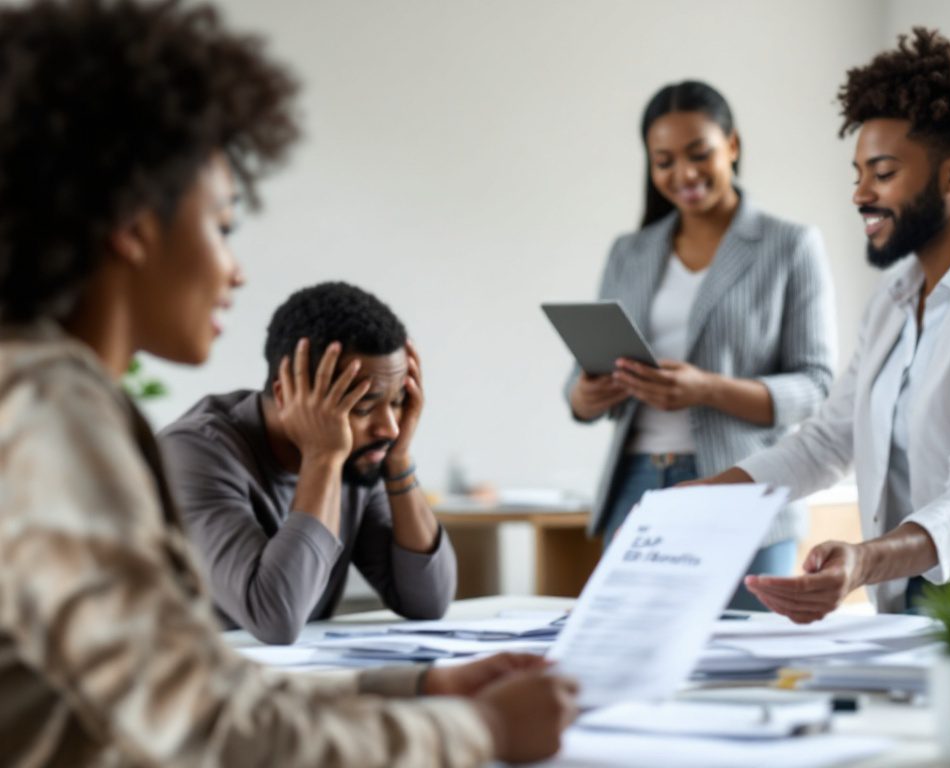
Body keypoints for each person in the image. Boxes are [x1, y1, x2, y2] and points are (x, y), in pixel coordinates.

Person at [0, 1, 576, 765]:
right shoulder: (55, 410)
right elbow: (206, 728)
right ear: (135, 225)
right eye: (223, 224)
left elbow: (188, 690)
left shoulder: (43, 390)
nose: (235, 268)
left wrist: (420, 692)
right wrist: (482, 734)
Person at [700, 28, 950, 622]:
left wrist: (863, 562)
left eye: (882, 173)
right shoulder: (895, 296)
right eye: (858, 172)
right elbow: (829, 441)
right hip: (902, 600)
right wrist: (699, 500)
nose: (859, 194)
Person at [565, 80, 837, 609]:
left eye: (699, 154)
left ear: (732, 145)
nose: (683, 175)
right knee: (628, 658)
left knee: (740, 661)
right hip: (637, 484)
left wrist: (707, 389)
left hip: (743, 483)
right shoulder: (630, 251)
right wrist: (585, 396)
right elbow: (579, 378)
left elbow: (817, 386)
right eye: (663, 161)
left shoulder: (790, 245)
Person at [160, 281, 457, 644]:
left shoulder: (359, 457)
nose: (389, 427)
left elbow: (428, 601)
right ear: (288, 395)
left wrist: (398, 459)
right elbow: (275, 618)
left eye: (397, 402)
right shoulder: (193, 454)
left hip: (292, 681)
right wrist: (323, 457)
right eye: (362, 407)